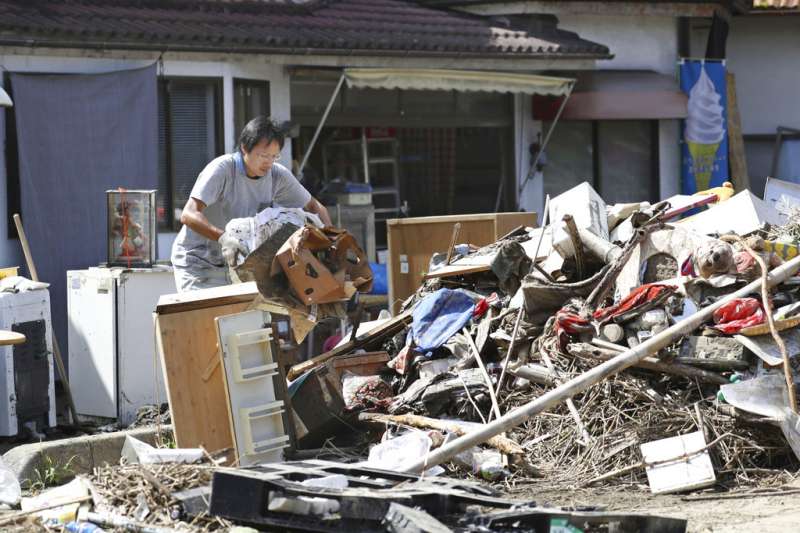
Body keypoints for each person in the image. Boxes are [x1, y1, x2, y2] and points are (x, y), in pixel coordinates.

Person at [171, 116, 332, 292]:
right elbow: (188, 214)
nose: (268, 162)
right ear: (244, 148)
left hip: (239, 264)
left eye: (274, 156)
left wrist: (330, 239)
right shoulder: (222, 169)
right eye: (263, 155)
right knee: (205, 318)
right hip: (198, 264)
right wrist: (223, 238)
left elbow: (315, 207)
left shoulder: (277, 175)